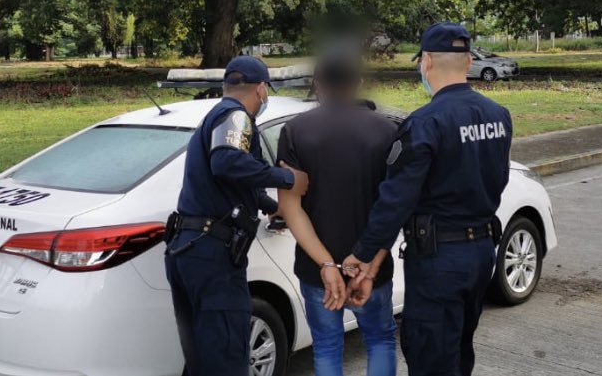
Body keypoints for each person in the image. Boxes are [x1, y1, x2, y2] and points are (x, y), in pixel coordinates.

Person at [343, 22, 513, 376]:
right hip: (482, 253)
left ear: (427, 63)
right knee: (460, 352)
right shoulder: (499, 116)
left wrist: (362, 255)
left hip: (439, 262)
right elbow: (499, 180)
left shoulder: (425, 123)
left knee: (431, 355)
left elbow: (396, 200)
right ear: (468, 63)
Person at [164, 56, 309, 376]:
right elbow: (227, 163)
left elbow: (235, 181)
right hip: (212, 255)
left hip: (188, 250)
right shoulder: (236, 116)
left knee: (204, 358)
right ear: (260, 89)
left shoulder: (213, 118)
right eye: (265, 91)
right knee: (228, 357)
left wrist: (273, 207)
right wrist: (288, 180)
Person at [276, 53, 398, 376]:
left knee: (327, 347)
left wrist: (327, 264)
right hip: (373, 267)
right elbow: (395, 207)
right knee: (381, 340)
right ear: (358, 83)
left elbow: (290, 207)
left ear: (317, 85)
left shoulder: (294, 131)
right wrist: (370, 264)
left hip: (317, 270)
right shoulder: (386, 131)